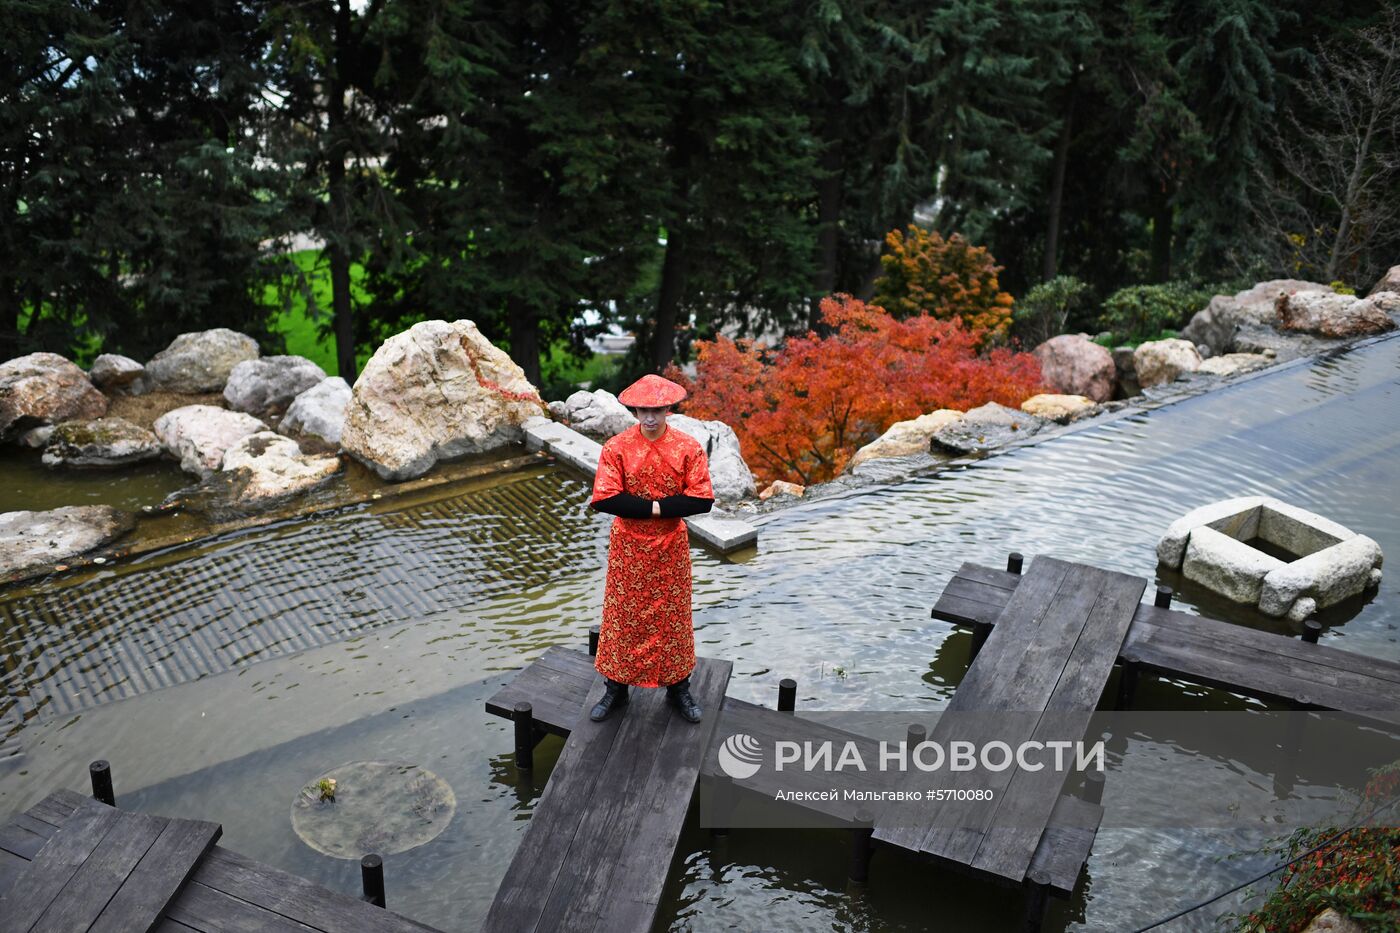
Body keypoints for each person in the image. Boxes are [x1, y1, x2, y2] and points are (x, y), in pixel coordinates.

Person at [588, 374, 714, 724]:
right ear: (635, 409)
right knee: (623, 616)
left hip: (671, 546)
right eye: (644, 410)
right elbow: (606, 498)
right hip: (628, 546)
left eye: (657, 410)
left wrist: (648, 507)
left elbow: (702, 500)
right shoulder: (616, 448)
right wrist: (663, 506)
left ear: (667, 409)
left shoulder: (687, 447)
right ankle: (615, 687)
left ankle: (679, 688)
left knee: (672, 617)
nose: (650, 418)